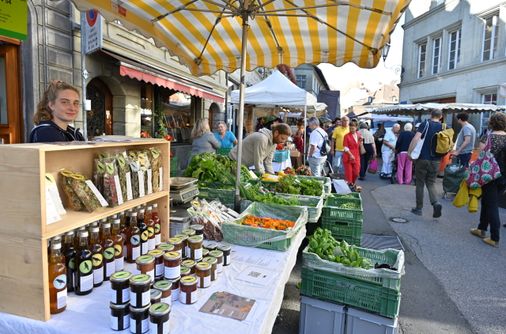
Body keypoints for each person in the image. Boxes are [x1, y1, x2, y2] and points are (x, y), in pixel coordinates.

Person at [470, 112, 506, 247]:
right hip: (503, 177)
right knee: (487, 202)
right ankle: (481, 228)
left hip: (490, 175)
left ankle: (495, 237)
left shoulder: (488, 136)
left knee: (491, 205)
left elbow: (481, 156)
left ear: (492, 123)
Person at [407, 109, 444, 218]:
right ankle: (435, 203)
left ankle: (419, 208)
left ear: (430, 115)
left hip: (423, 158)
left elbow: (416, 138)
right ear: (441, 116)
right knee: (431, 183)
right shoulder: (444, 127)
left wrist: (409, 152)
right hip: (436, 160)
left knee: (420, 183)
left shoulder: (425, 124)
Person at [343, 119, 362, 187]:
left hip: (356, 156)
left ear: (356, 127)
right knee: (349, 175)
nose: (351, 129)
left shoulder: (359, 135)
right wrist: (350, 155)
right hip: (348, 157)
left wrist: (361, 140)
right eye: (350, 128)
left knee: (356, 173)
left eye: (353, 128)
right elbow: (345, 147)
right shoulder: (346, 136)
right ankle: (349, 186)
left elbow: (359, 144)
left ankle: (352, 183)